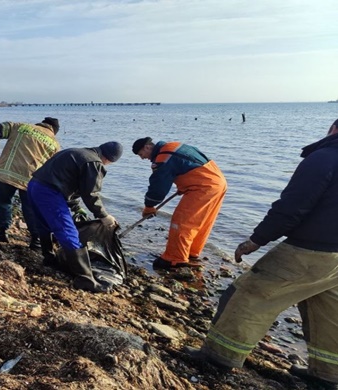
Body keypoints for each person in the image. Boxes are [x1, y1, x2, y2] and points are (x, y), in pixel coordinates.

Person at [185, 121, 338, 388]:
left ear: (334, 130)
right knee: (327, 310)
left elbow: (292, 206)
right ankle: (328, 375)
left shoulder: (325, 157)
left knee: (248, 294)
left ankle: (219, 357)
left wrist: (257, 239)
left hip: (310, 250)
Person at [28, 142, 122, 293]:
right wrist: (104, 216)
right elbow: (90, 194)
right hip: (50, 192)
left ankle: (49, 258)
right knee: (68, 231)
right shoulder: (94, 163)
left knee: (44, 224)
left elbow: (68, 181)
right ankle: (85, 279)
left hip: (34, 185)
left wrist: (76, 207)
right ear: (109, 159)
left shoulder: (77, 152)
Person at [132, 137, 227, 269]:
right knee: (202, 222)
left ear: (147, 147)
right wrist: (185, 184)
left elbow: (158, 186)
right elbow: (190, 165)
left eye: (141, 155)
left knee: (181, 222)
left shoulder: (163, 157)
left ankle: (174, 259)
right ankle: (191, 253)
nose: (143, 158)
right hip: (219, 183)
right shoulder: (174, 146)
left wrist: (149, 206)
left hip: (203, 188)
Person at [0, 117, 61, 248]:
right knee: (30, 208)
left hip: (7, 171)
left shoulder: (20, 127)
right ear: (54, 131)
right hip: (31, 179)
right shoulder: (55, 144)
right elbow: (53, 169)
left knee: (3, 202)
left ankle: (2, 232)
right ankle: (36, 239)